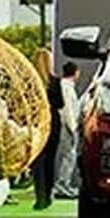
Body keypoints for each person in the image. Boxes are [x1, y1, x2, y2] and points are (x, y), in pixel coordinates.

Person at [32, 59, 69, 209]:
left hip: (37, 121)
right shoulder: (55, 82)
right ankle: (48, 194)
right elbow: (60, 103)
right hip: (53, 121)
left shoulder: (32, 80)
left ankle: (40, 196)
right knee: (50, 159)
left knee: (37, 161)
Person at [52, 61, 82, 199]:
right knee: (68, 156)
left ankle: (64, 184)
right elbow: (67, 108)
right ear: (75, 72)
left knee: (69, 156)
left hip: (69, 125)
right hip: (68, 126)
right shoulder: (65, 87)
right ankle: (61, 185)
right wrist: (72, 127)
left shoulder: (67, 86)